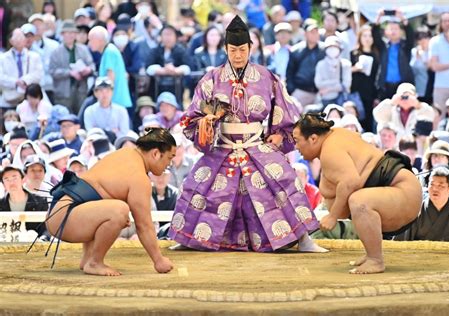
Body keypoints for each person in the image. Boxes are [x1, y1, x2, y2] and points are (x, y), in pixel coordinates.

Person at [169, 15, 323, 253]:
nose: (238, 55)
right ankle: (189, 238)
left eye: (242, 49)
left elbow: (285, 110)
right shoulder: (211, 79)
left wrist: (280, 135)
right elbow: (192, 117)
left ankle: (303, 239)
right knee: (198, 182)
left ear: (251, 48)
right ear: (225, 49)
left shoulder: (266, 77)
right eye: (233, 50)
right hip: (223, 145)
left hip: (255, 144)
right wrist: (206, 124)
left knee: (284, 178)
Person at [293, 112, 423, 273]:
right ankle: (371, 255)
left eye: (297, 141)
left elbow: (351, 182)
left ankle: (376, 260)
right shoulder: (336, 135)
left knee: (359, 201)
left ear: (313, 138)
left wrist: (332, 216)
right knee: (358, 199)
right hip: (397, 189)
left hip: (403, 191)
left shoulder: (330, 150)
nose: (296, 147)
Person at [42, 127, 176, 276]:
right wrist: (159, 260)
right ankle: (95, 262)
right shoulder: (140, 178)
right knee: (119, 211)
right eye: (169, 158)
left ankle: (88, 258)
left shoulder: (125, 153)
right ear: (156, 153)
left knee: (114, 210)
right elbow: (144, 225)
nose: (169, 164)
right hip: (65, 218)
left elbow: (94, 197)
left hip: (60, 212)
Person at [395, 166, 449, 241]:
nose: (435, 189)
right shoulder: (414, 211)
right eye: (432, 184)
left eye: (440, 185)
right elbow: (400, 245)